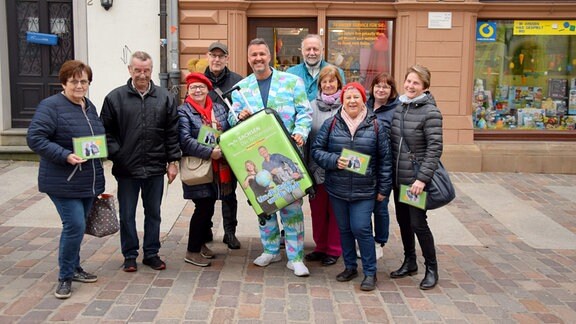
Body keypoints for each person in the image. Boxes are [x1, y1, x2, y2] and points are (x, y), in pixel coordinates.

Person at [229, 38, 312, 277]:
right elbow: (232, 119)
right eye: (253, 55)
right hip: (255, 158)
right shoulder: (241, 88)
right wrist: (239, 116)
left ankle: (296, 257)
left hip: (284, 155)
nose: (258, 59)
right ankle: (271, 249)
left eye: (262, 54)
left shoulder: (291, 82)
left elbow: (305, 112)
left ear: (269, 57)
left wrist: (301, 132)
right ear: (248, 58)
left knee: (292, 204)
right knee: (264, 204)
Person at [27, 60, 105, 299]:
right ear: (64, 82)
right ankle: (65, 276)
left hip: (87, 180)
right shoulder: (51, 106)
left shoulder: (88, 106)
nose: (80, 85)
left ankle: (75, 267)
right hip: (62, 179)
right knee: (75, 226)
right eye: (74, 81)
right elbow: (35, 138)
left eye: (84, 81)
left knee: (78, 226)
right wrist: (65, 155)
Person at [101, 51, 180, 272]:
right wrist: (119, 154)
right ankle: (129, 254)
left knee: (153, 213)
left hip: (155, 168)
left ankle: (152, 253)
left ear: (151, 70)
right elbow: (105, 133)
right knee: (127, 215)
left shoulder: (165, 98)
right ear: (130, 70)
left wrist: (173, 161)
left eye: (146, 70)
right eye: (138, 70)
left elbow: (172, 133)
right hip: (126, 169)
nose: (142, 75)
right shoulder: (114, 98)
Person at [311, 82, 393, 291]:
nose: (352, 101)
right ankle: (350, 267)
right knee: (344, 229)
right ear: (343, 100)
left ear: (363, 100)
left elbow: (385, 160)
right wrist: (334, 160)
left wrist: (384, 189)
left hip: (365, 189)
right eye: (348, 97)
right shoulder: (331, 124)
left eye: (356, 97)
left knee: (361, 228)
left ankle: (370, 272)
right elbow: (317, 151)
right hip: (337, 188)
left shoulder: (376, 126)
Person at [389, 64, 443, 290]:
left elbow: (435, 148)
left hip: (413, 182)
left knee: (418, 223)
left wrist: (421, 179)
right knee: (403, 222)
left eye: (416, 83)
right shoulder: (401, 106)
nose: (410, 86)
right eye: (408, 81)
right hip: (398, 178)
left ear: (425, 87)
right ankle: (410, 261)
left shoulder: (430, 112)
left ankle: (431, 268)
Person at [178, 73, 235, 267]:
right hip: (199, 166)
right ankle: (192, 251)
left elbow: (229, 132)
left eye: (201, 87)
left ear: (208, 89)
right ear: (188, 90)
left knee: (209, 206)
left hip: (219, 167)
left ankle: (200, 244)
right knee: (203, 207)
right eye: (194, 87)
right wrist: (210, 152)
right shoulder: (183, 111)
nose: (198, 90)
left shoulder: (219, 109)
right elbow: (184, 140)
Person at [204, 42, 243, 249]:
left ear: (227, 58)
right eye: (213, 55)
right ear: (208, 56)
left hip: (231, 144)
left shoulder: (238, 81)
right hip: (207, 145)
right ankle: (206, 228)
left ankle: (230, 232)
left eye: (221, 56)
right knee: (207, 190)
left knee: (228, 191)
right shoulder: (199, 81)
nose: (217, 59)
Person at [304, 65, 344, 267]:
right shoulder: (310, 106)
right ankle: (320, 247)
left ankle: (334, 248)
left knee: (336, 211)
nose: (328, 85)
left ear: (339, 83)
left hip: (339, 168)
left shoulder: (347, 105)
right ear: (320, 84)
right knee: (318, 211)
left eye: (332, 81)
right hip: (316, 167)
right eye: (324, 82)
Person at [366, 72, 400, 258]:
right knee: (364, 206)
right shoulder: (365, 106)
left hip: (384, 166)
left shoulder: (397, 110)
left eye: (385, 86)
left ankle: (379, 241)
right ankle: (366, 240)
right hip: (364, 166)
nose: (381, 89)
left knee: (380, 205)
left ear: (391, 90)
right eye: (378, 86)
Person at [287, 34, 346, 102]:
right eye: (308, 49)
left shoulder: (337, 72)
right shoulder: (291, 73)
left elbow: (341, 100)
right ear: (302, 51)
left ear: (322, 51)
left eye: (315, 49)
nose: (312, 53)